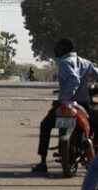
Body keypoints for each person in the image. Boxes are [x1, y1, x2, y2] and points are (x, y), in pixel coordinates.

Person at [33, 38, 98, 174]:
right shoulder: (85, 62)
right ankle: (92, 157)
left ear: (64, 49)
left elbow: (74, 79)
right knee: (93, 126)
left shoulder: (64, 62)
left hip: (67, 103)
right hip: (83, 104)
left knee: (45, 125)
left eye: (58, 47)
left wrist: (65, 98)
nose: (56, 50)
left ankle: (43, 162)